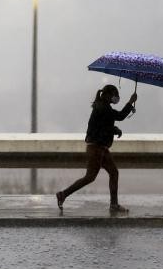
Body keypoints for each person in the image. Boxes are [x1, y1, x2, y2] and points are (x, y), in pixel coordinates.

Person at [56, 84, 137, 214]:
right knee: (90, 177)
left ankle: (114, 205)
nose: (116, 97)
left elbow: (104, 126)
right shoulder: (103, 108)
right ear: (108, 95)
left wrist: (114, 129)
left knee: (113, 173)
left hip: (101, 148)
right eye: (115, 94)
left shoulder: (102, 107)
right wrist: (130, 102)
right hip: (96, 149)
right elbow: (120, 116)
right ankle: (63, 194)